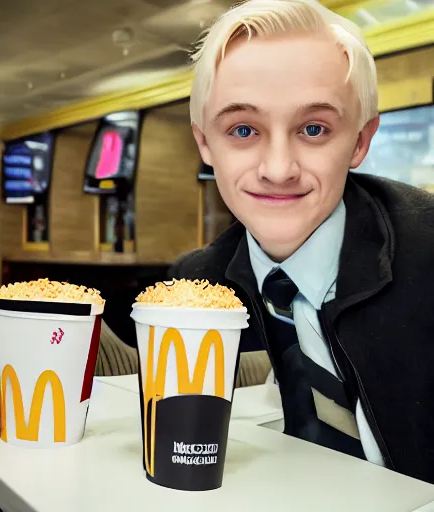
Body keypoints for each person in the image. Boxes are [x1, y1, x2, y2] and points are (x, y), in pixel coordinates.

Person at [169, 0, 434, 484]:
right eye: (243, 130)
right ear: (205, 143)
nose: (278, 169)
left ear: (359, 141)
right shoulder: (197, 288)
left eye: (314, 129)